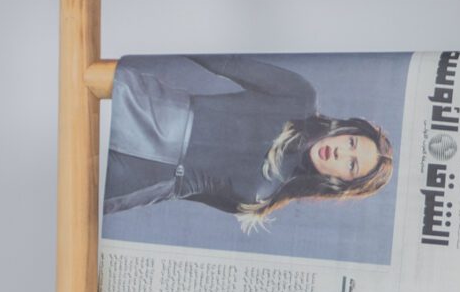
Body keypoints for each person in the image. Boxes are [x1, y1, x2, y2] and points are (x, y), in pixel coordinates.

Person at [100, 53, 394, 230]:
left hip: (142, 183)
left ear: (342, 182)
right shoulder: (300, 96)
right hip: (150, 112)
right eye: (352, 143)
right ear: (346, 130)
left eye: (352, 165)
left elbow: (190, 193)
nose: (341, 153)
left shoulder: (271, 198)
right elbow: (227, 62)